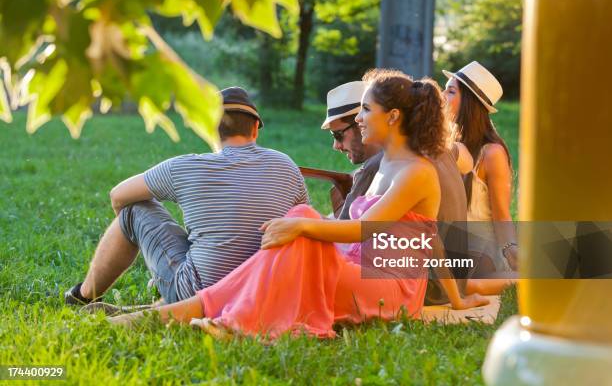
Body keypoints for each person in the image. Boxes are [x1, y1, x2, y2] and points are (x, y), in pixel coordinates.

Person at [108, 69, 489, 337]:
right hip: (356, 271)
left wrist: (303, 225)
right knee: (299, 220)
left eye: (365, 110)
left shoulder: (418, 171)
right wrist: (457, 297)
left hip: (388, 287)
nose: (358, 118)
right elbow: (431, 239)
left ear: (392, 116)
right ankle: (164, 315)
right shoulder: (389, 161)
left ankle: (226, 321)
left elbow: (362, 229)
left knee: (302, 220)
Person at [65, 87, 308, 309]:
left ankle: (82, 296)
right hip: (263, 293)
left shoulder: (185, 167)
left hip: (198, 295)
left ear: (209, 128)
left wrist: (151, 250)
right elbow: (303, 225)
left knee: (133, 209)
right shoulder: (287, 166)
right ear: (255, 129)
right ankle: (157, 306)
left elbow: (118, 196)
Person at [323, 81, 483, 306]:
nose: (336, 146)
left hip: (414, 285)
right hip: (445, 280)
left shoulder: (395, 168)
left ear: (391, 117)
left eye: (338, 135)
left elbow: (348, 231)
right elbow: (429, 234)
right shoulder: (432, 151)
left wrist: (301, 224)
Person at [442, 61, 519, 273]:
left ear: (469, 102)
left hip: (477, 252)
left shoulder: (491, 153)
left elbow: (502, 215)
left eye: (450, 91)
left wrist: (511, 251)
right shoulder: (447, 145)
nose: (441, 96)